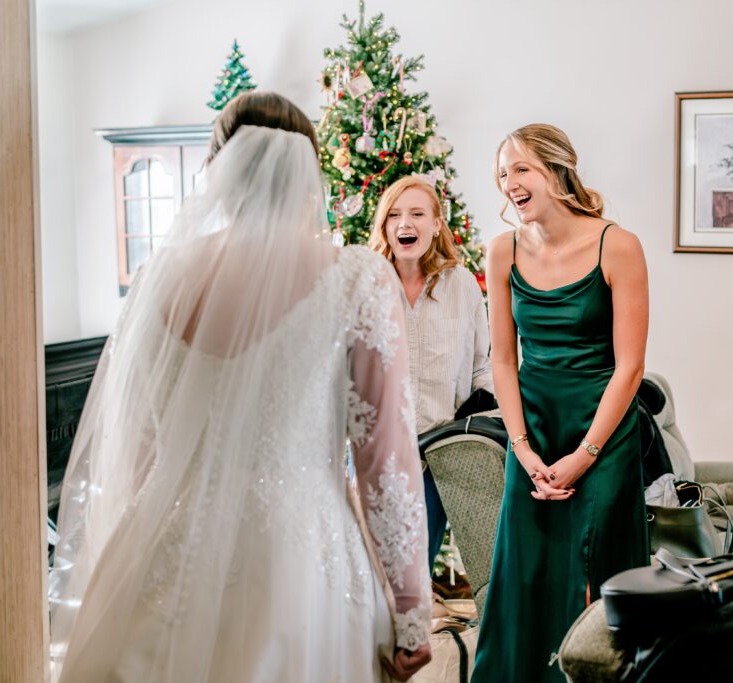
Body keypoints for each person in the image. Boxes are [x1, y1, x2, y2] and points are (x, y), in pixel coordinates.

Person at [48, 91, 431, 682]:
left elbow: (140, 445)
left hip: (169, 547)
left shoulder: (156, 280)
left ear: (218, 171)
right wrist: (410, 608)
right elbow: (384, 458)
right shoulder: (357, 278)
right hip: (302, 562)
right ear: (307, 177)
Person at [471, 124, 649, 683]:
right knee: (524, 572)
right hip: (533, 431)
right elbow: (503, 359)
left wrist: (587, 452)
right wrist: (521, 449)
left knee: (595, 569)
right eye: (503, 173)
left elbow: (631, 367)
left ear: (556, 169)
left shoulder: (616, 245)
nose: (509, 184)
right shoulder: (501, 252)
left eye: (520, 169)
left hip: (604, 431)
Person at [369, 175, 494, 571]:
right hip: (378, 452)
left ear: (437, 224)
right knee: (373, 571)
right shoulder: (365, 286)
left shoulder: (463, 285)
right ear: (385, 226)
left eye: (418, 214)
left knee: (415, 569)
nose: (405, 223)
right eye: (395, 215)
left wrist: (487, 421)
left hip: (438, 453)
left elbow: (483, 364)